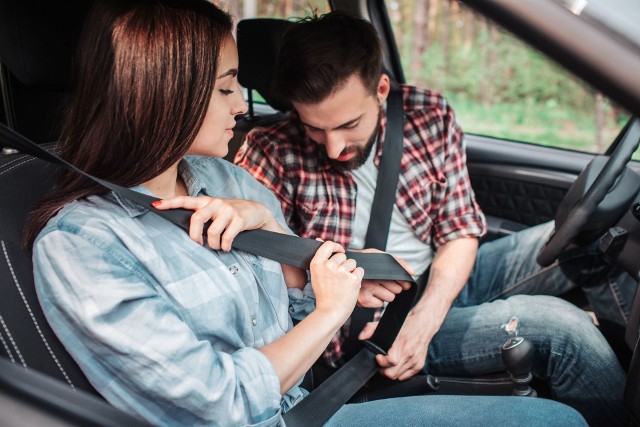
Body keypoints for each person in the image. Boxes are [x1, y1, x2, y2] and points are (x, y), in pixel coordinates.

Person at [24, 1, 588, 426]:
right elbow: (221, 402)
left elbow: (289, 302)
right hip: (286, 411)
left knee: (594, 236)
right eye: (225, 89)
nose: (242, 107)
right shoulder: (84, 246)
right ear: (168, 95)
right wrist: (330, 310)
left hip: (312, 392)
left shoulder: (224, 179)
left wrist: (301, 258)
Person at [235, 11, 635, 426]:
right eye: (314, 129)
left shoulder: (426, 115)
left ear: (381, 89)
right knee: (565, 330)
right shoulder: (270, 151)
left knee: (605, 233)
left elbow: (459, 230)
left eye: (348, 124)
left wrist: (426, 317)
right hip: (372, 322)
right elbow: (259, 278)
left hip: (442, 279)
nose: (333, 147)